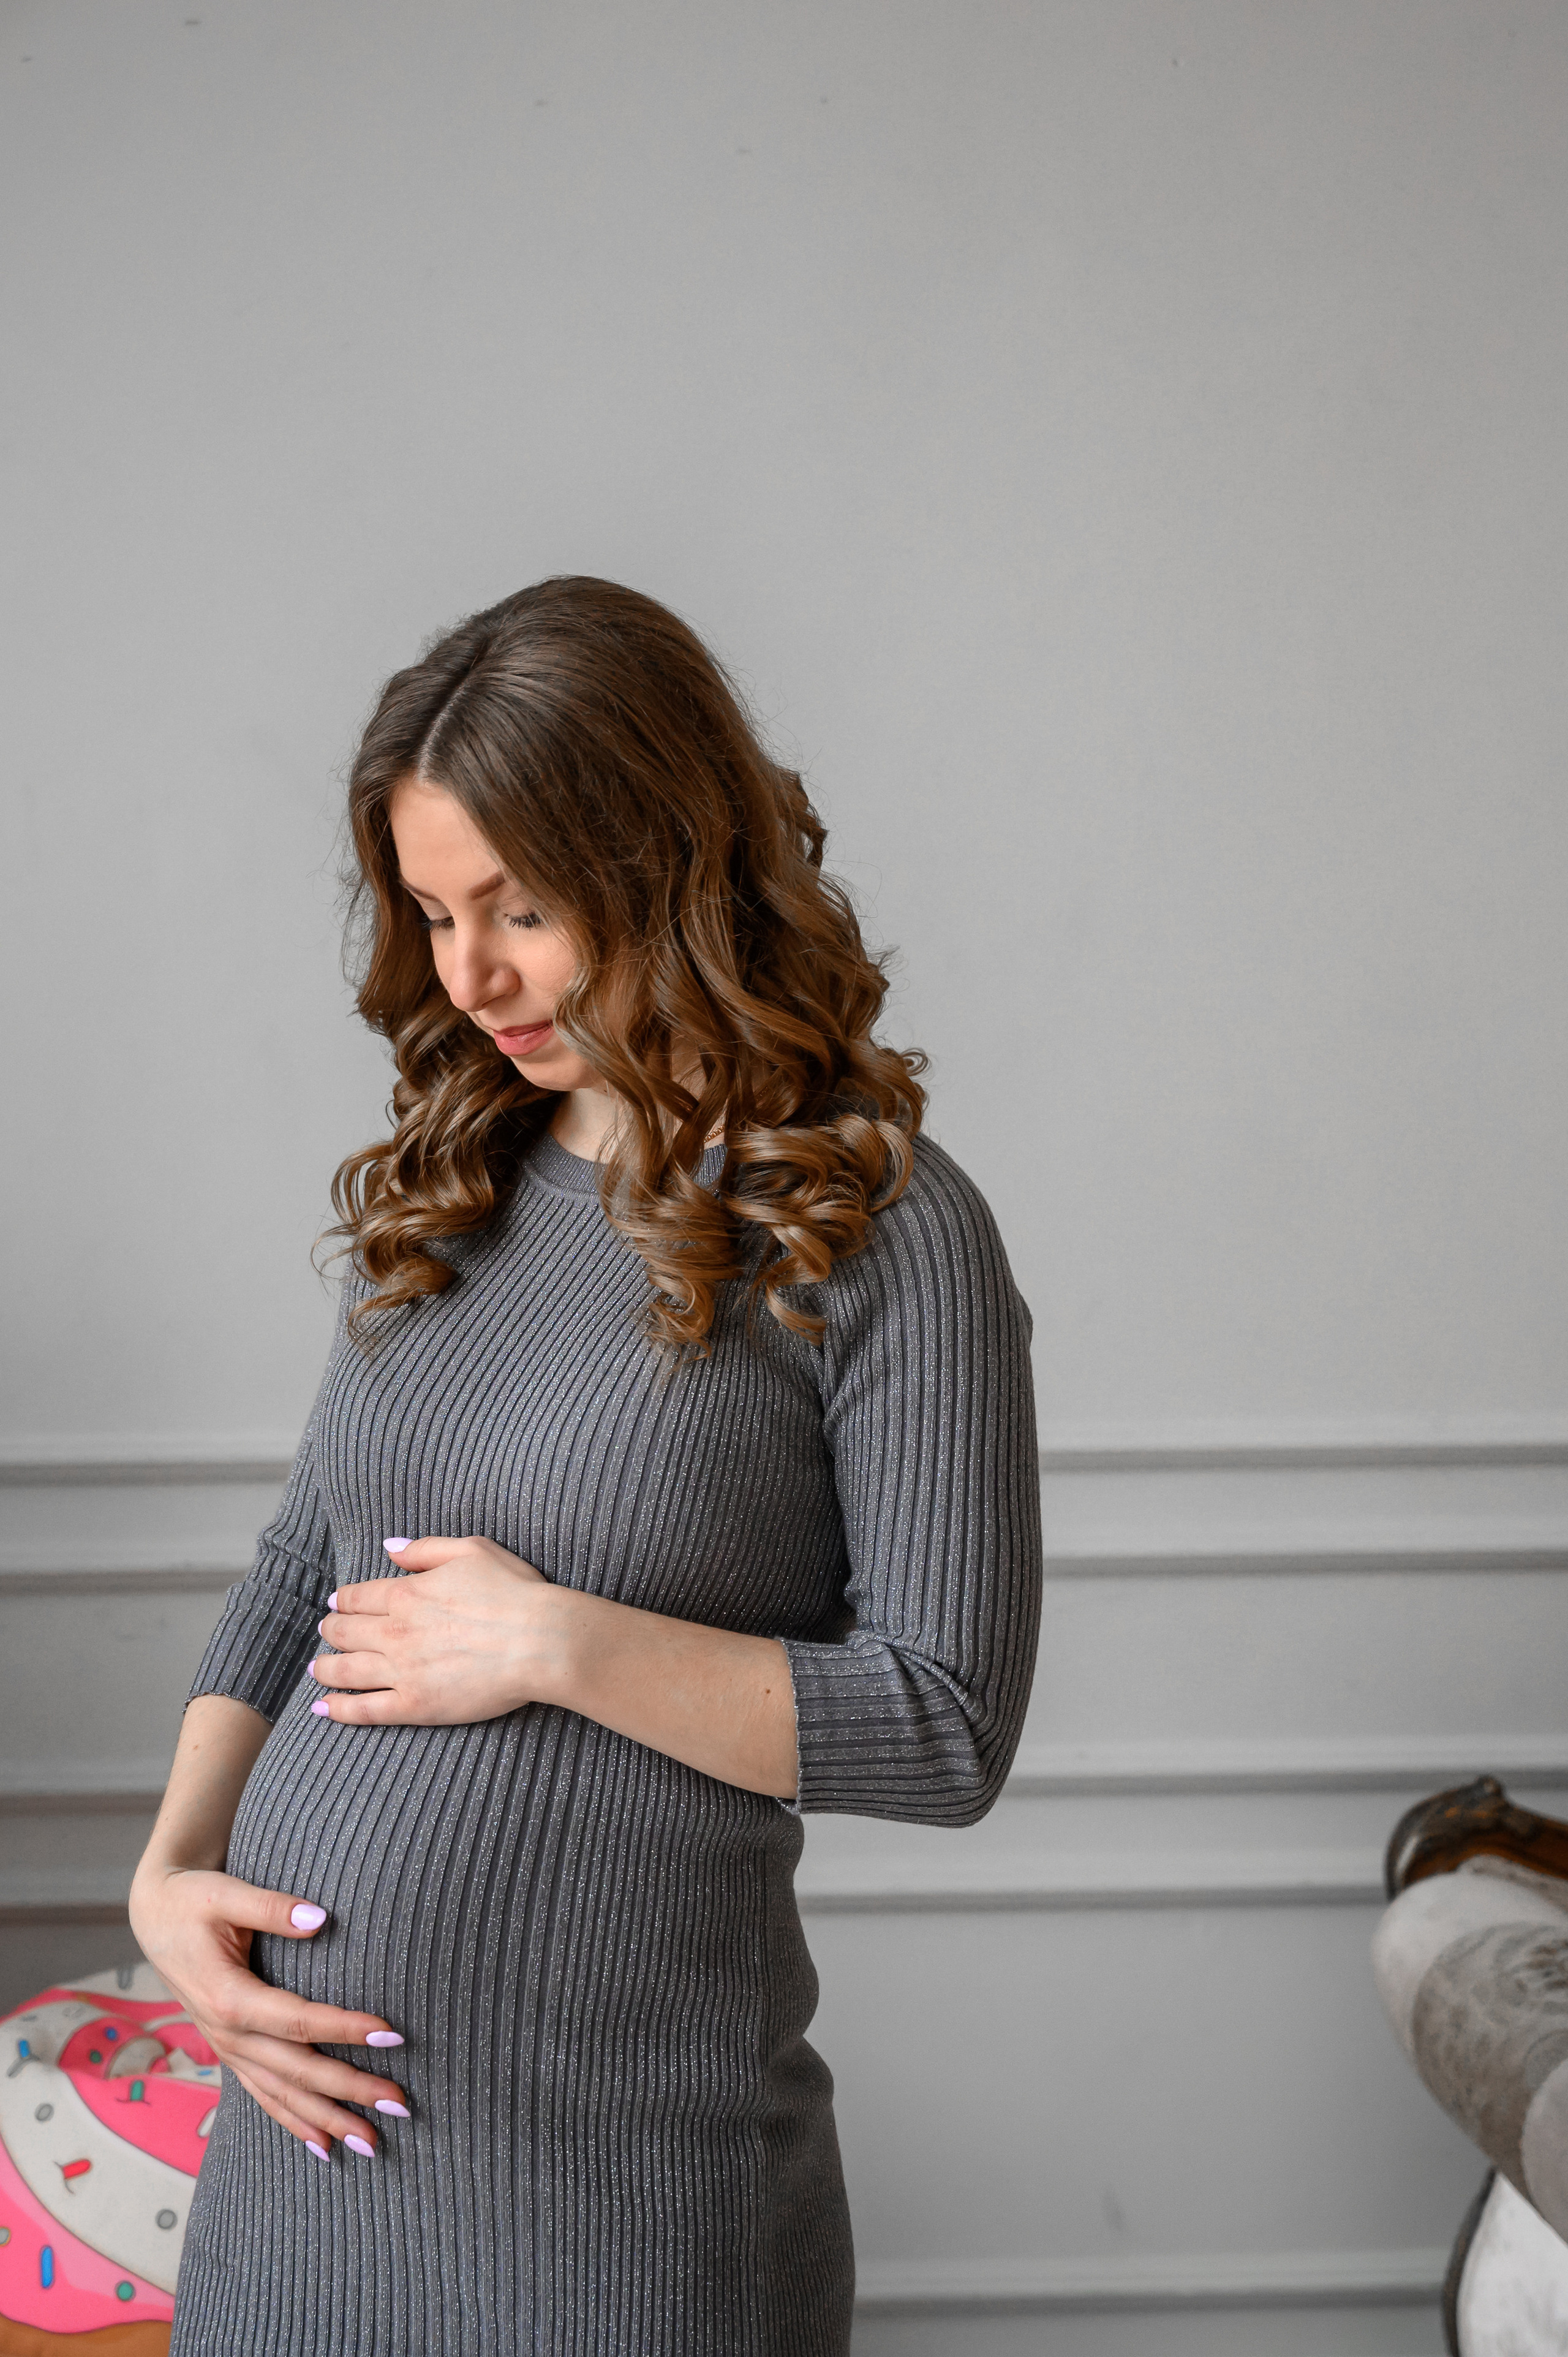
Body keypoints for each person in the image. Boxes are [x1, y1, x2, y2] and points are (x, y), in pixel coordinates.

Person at [128, 575, 1043, 2357]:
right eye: (433, 912)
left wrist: (554, 1644)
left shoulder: (878, 1232)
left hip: (616, 2216)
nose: (469, 977)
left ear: (668, 866)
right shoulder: (454, 1181)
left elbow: (946, 1725)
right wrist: (169, 1877)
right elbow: (301, 1557)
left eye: (523, 910)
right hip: (300, 2190)